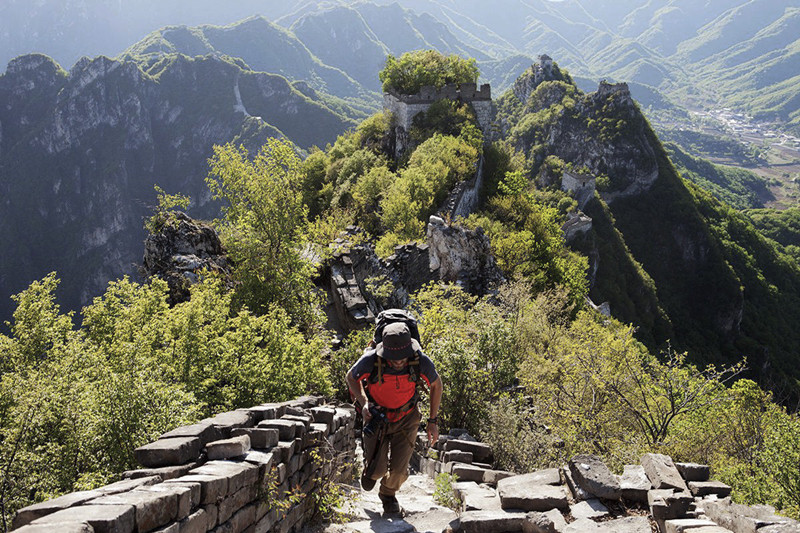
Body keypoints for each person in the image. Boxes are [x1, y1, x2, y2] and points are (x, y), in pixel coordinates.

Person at [346, 322, 443, 515]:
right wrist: (364, 401)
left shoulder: (420, 361)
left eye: (402, 357)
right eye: (393, 358)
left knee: (399, 471)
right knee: (377, 471)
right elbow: (351, 377)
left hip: (407, 417)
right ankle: (372, 469)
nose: (398, 362)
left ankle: (388, 494)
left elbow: (436, 385)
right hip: (377, 417)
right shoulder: (371, 360)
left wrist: (432, 422)